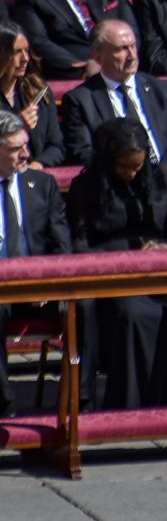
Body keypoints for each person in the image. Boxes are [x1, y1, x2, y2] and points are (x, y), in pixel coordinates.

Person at [69, 119, 167, 409]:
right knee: (134, 314)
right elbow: (80, 245)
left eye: (138, 166)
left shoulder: (157, 179)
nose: (133, 173)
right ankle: (135, 404)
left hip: (157, 272)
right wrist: (124, 254)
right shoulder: (85, 186)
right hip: (112, 277)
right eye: (125, 167)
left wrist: (164, 247)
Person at [0, 110, 73, 416]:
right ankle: (5, 404)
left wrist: (45, 285)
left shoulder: (42, 184)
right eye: (16, 149)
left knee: (85, 308)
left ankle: (78, 401)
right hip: (2, 290)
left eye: (26, 145)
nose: (26, 155)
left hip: (41, 288)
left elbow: (61, 246)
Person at [59, 19, 167, 167]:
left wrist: (158, 174)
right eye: (122, 49)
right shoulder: (80, 100)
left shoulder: (162, 90)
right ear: (98, 57)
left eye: (133, 46)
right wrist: (125, 172)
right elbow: (83, 153)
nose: (132, 56)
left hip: (164, 175)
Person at [0, 22, 61, 167]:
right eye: (16, 52)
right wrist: (16, 127)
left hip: (36, 174)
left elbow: (56, 146)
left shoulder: (38, 90)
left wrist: (37, 165)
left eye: (26, 50)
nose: (25, 58)